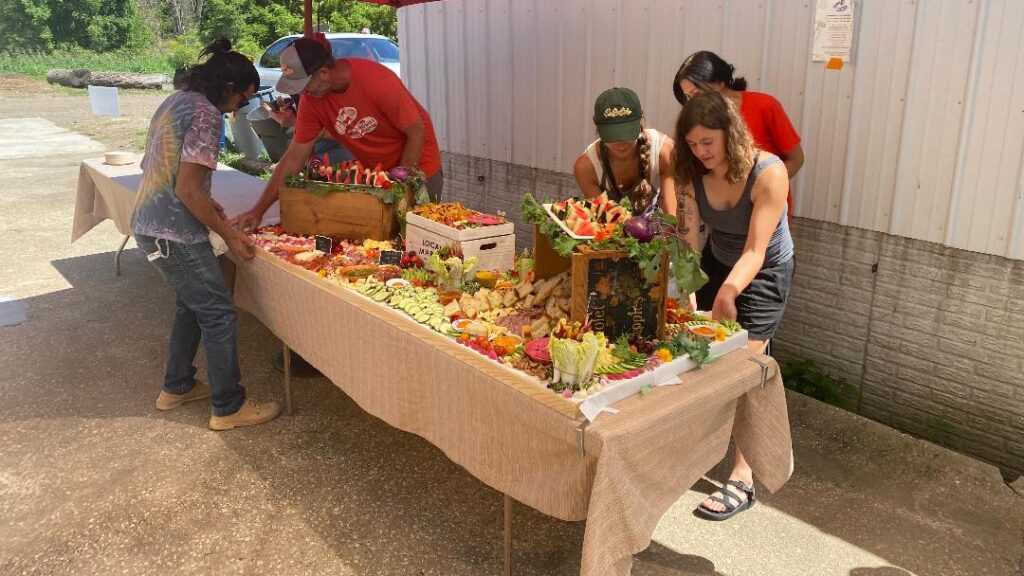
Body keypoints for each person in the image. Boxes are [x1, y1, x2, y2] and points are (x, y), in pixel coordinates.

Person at [131, 38, 281, 431]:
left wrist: (208, 205)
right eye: (243, 100)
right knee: (217, 314)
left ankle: (177, 387)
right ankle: (228, 406)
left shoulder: (177, 100)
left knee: (192, 306)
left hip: (153, 222)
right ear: (229, 89)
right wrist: (228, 235)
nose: (239, 109)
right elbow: (187, 189)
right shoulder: (206, 113)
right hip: (173, 232)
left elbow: (162, 169)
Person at [674, 90, 794, 520]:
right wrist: (689, 299)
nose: (700, 152)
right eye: (692, 144)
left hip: (763, 269)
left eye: (708, 142)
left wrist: (727, 292)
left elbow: (757, 250)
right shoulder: (689, 170)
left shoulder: (769, 172)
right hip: (719, 256)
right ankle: (702, 447)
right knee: (700, 353)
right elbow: (686, 242)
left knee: (746, 367)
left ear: (731, 134)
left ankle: (743, 476)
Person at [234, 34, 444, 231]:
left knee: (418, 239)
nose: (303, 93)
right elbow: (293, 159)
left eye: (305, 86)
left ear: (323, 72)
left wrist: (401, 187)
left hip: (419, 169)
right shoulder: (311, 102)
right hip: (383, 176)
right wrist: (257, 211)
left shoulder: (378, 81)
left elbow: (417, 133)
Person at [673, 51, 803, 216]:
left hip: (764, 209)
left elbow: (796, 158)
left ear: (719, 82)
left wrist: (767, 189)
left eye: (697, 93)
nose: (693, 102)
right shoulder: (695, 120)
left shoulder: (765, 106)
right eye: (688, 96)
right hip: (723, 211)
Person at [573, 87, 677, 217]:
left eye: (627, 133)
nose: (620, 142)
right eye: (613, 135)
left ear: (640, 122)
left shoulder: (665, 151)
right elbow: (603, 219)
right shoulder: (586, 167)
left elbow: (671, 214)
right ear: (598, 130)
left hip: (656, 229)